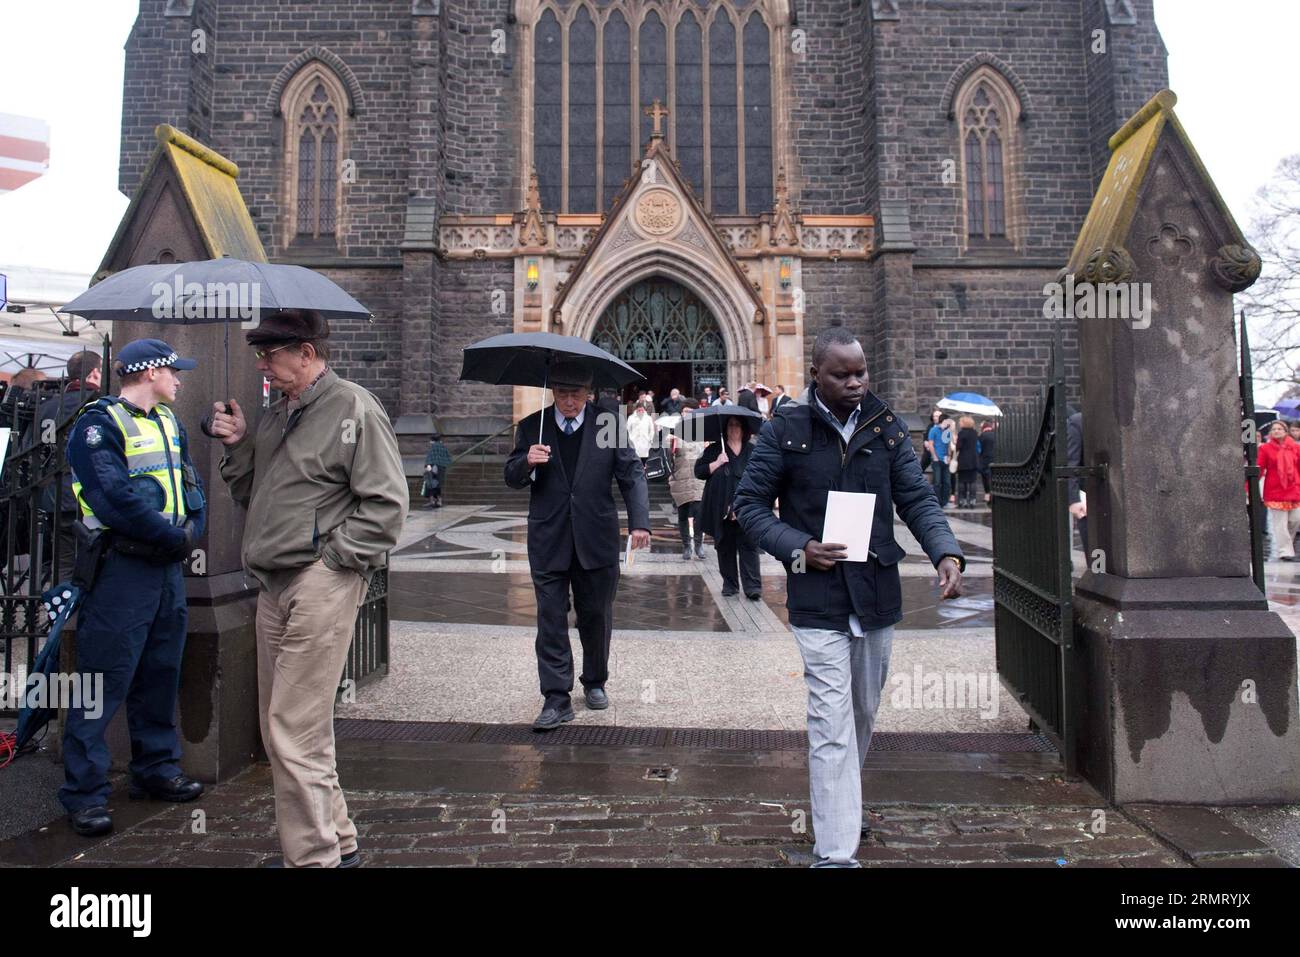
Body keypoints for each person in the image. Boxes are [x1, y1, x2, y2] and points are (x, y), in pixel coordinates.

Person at [734, 327, 964, 867]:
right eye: (843, 374)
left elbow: (916, 497)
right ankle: (837, 854)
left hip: (876, 593)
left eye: (861, 372)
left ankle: (839, 802)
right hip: (817, 599)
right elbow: (749, 506)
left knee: (861, 713)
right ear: (817, 373)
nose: (856, 381)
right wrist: (800, 548)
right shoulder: (785, 427)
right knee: (830, 721)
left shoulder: (886, 427)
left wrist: (945, 551)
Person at [209, 308, 408, 868]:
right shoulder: (278, 414)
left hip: (318, 581)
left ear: (307, 352)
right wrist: (238, 444)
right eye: (260, 356)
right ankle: (337, 841)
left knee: (290, 728)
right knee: (293, 728)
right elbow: (254, 490)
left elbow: (388, 506)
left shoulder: (352, 407)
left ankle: (313, 858)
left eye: (271, 355)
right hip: (273, 583)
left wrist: (334, 560)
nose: (264, 367)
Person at [60, 339, 207, 837]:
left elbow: (189, 486)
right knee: (102, 682)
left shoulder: (170, 422)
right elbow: (112, 497)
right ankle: (85, 794)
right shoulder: (97, 424)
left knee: (160, 672)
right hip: (121, 569)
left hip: (165, 570)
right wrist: (174, 536)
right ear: (149, 374)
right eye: (173, 372)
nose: (180, 380)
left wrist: (192, 525)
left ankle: (156, 769)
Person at [505, 361, 651, 730]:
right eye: (563, 394)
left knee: (596, 615)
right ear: (553, 391)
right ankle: (556, 697)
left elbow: (631, 473)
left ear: (589, 393)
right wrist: (527, 461)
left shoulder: (608, 423)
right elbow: (511, 476)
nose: (569, 402)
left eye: (577, 394)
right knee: (550, 618)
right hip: (549, 539)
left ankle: (595, 680)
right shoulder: (531, 426)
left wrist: (640, 523)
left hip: (596, 538)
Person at [21, 350, 103, 586]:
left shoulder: (48, 407)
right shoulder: (101, 403)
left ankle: (63, 612)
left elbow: (29, 452)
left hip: (54, 496)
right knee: (97, 561)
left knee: (64, 562)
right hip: (91, 496)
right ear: (96, 372)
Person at [696, 413, 763, 599]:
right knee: (725, 547)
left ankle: (752, 587)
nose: (733, 428)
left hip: (746, 509)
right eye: (730, 425)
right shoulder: (715, 449)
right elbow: (699, 472)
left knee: (749, 547)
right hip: (720, 509)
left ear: (744, 430)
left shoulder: (753, 450)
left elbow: (761, 477)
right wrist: (717, 462)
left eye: (737, 425)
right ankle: (730, 584)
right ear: (725, 429)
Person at [669, 399, 708, 560]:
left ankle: (698, 545)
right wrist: (671, 445)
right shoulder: (675, 432)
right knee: (683, 514)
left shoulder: (704, 431)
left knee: (699, 513)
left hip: (699, 479)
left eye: (691, 411)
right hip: (681, 477)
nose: (688, 414)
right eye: (685, 411)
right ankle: (686, 546)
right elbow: (668, 456)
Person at [1258, 420, 1300, 561]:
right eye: (1274, 429)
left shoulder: (1294, 447)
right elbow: (1260, 468)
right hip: (1275, 490)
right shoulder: (1265, 448)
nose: (1276, 431)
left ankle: (1286, 545)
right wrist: (1249, 485)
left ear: (1285, 431)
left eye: (1279, 429)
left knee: (1295, 520)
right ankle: (1285, 551)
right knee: (1280, 524)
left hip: (1294, 489)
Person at [1066, 410, 1088, 556]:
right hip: (1091, 497)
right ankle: (1098, 576)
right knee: (1097, 552)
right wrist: (1074, 499)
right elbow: (1071, 463)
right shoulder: (1078, 422)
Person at [925, 411, 952, 508]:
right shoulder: (933, 430)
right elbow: (931, 444)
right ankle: (937, 502)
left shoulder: (947, 431)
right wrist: (935, 457)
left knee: (947, 482)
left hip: (945, 460)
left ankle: (944, 502)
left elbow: (948, 444)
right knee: (937, 482)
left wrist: (949, 456)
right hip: (937, 460)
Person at [954, 415, 980, 508]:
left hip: (963, 460)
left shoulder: (961, 433)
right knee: (972, 481)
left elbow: (958, 447)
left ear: (964, 423)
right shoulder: (975, 433)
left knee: (962, 481)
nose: (959, 423)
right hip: (973, 460)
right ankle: (972, 501)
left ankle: (962, 500)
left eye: (960, 422)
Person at [422, 432, 452, 509]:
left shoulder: (433, 447)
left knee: (431, 484)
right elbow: (448, 458)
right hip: (442, 468)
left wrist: (427, 466)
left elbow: (430, 458)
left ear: (432, 440)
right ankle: (439, 501)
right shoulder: (443, 447)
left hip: (433, 468)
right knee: (438, 485)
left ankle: (432, 500)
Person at [627, 400, 656, 466]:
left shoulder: (648, 418)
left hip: (645, 442)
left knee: (644, 461)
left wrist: (650, 439)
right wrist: (630, 440)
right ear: (636, 410)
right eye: (639, 410)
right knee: (635, 461)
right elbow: (628, 430)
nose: (640, 412)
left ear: (644, 410)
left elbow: (651, 430)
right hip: (634, 442)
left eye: (642, 410)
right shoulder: (631, 418)